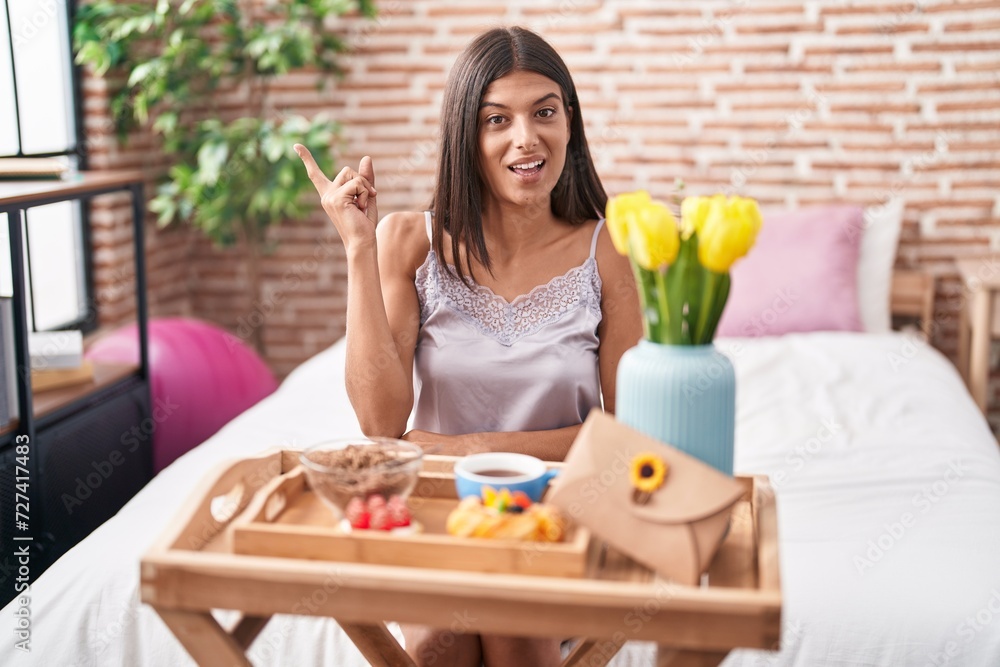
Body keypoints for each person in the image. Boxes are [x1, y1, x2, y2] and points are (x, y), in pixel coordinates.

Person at [295, 25, 641, 667]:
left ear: (570, 124)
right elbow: (380, 423)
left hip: (556, 515)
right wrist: (357, 248)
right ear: (467, 136)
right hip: (438, 516)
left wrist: (471, 448)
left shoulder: (609, 249)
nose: (525, 138)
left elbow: (626, 439)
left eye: (545, 112)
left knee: (516, 629)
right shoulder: (408, 241)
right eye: (496, 120)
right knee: (437, 642)